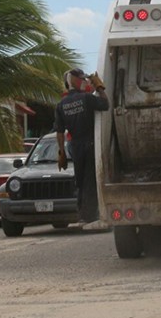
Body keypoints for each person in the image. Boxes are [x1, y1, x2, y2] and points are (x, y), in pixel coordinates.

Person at [54, 68, 109, 226]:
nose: (85, 82)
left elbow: (59, 131)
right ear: (76, 81)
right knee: (90, 179)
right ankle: (90, 215)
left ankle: (81, 214)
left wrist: (62, 153)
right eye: (83, 79)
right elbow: (105, 104)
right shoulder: (86, 98)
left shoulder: (61, 104)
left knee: (80, 180)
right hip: (90, 143)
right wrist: (99, 87)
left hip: (75, 146)